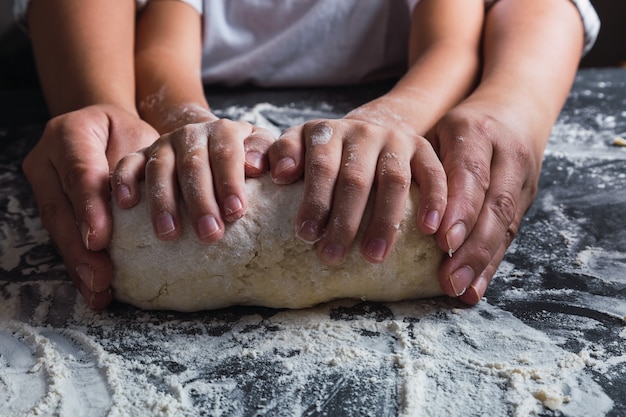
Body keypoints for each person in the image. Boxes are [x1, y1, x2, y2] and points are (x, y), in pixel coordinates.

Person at [16, 0, 599, 309]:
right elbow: (162, 53)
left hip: (397, 106)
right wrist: (193, 126)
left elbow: (452, 46)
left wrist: (386, 122)